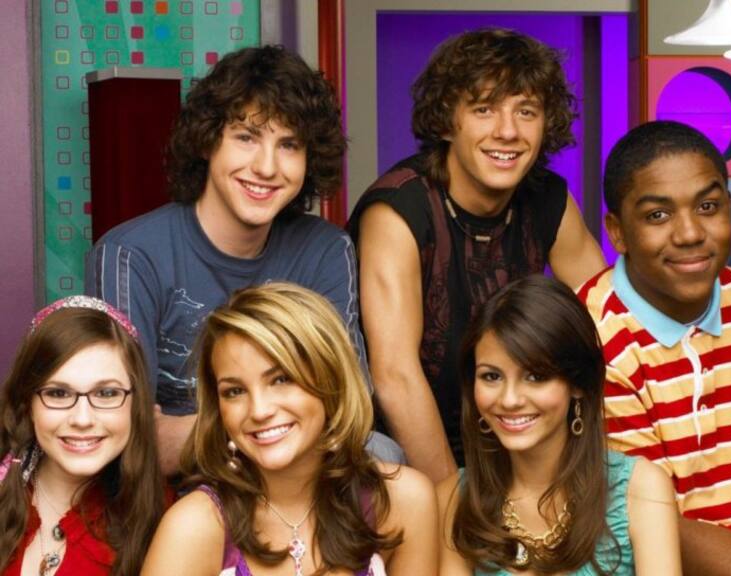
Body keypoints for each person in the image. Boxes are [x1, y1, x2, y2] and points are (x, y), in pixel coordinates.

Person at [85, 45, 386, 474]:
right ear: (208, 141)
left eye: (289, 145)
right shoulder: (129, 255)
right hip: (183, 485)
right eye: (246, 137)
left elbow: (349, 409)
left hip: (301, 473)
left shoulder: (325, 249)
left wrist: (233, 431)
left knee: (383, 453)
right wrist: (263, 428)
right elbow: (127, 438)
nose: (266, 167)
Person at [347, 27, 605, 482]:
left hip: (517, 432)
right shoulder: (399, 210)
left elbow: (608, 328)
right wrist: (455, 502)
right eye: (484, 109)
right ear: (447, 121)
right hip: (408, 455)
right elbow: (396, 378)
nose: (508, 132)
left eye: (526, 111)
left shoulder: (548, 199)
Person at [141, 283, 437, 575]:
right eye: (234, 391)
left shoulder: (402, 500)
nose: (259, 410)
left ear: (332, 380)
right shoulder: (194, 526)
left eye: (281, 379)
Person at [578, 120, 731, 574]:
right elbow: (651, 522)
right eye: (658, 215)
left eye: (707, 206)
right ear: (617, 232)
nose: (689, 233)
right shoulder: (590, 339)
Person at [438, 275, 681, 575]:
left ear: (577, 383)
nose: (510, 399)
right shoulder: (454, 499)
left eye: (535, 376)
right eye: (491, 376)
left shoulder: (641, 488)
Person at [0, 296, 165, 576]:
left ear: (136, 404)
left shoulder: (169, 523)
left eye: (107, 393)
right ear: (27, 403)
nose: (82, 419)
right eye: (58, 393)